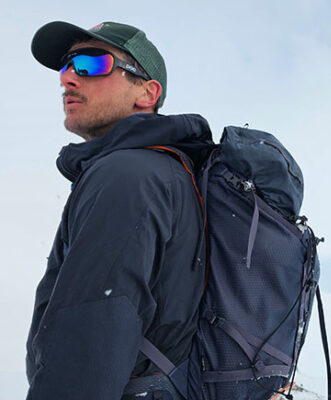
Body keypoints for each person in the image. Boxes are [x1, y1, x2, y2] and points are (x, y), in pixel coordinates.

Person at [27, 21, 212, 400]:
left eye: (92, 64)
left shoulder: (127, 175)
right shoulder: (160, 172)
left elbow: (90, 337)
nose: (68, 79)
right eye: (66, 67)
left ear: (147, 93)